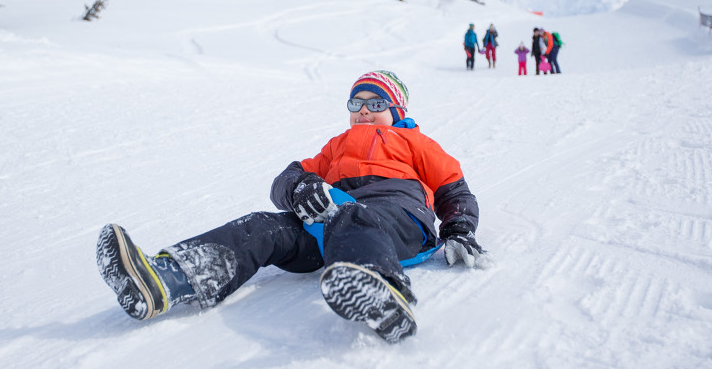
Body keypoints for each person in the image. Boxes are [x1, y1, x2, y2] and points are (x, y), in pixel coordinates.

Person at [96, 70, 484, 344]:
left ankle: (379, 288)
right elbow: (286, 178)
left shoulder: (414, 142)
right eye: (356, 102)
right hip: (332, 226)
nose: (363, 110)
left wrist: (459, 229)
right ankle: (168, 279)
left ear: (396, 110)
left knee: (353, 215)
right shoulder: (336, 145)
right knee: (262, 226)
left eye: (376, 102)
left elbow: (454, 191)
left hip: (397, 219)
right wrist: (300, 187)